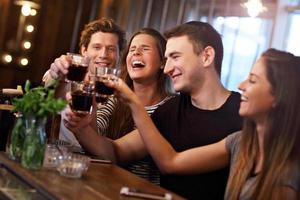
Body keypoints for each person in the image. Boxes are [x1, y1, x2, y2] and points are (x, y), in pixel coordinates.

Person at [64, 21, 243, 199]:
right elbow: (116, 153)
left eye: (175, 57)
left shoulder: (244, 113)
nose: (167, 68)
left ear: (206, 56)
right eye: (167, 59)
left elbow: (170, 163)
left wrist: (132, 101)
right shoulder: (168, 111)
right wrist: (81, 129)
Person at [107, 48, 300, 200]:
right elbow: (171, 162)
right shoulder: (239, 143)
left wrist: (133, 102)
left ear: (279, 96)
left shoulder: (288, 174)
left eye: (253, 80)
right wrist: (133, 102)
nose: (241, 85)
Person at [64, 28, 174, 185]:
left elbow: (115, 153)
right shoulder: (114, 99)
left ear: (163, 62)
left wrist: (82, 129)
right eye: (132, 49)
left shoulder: (169, 108)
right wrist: (86, 117)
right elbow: (98, 135)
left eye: (145, 49)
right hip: (102, 186)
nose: (136, 53)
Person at [42, 18, 126, 146]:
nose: (103, 54)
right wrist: (57, 75)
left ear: (119, 54)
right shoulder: (67, 73)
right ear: (84, 50)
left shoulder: (121, 92)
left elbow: (105, 136)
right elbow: (48, 91)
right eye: (97, 47)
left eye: (111, 49)